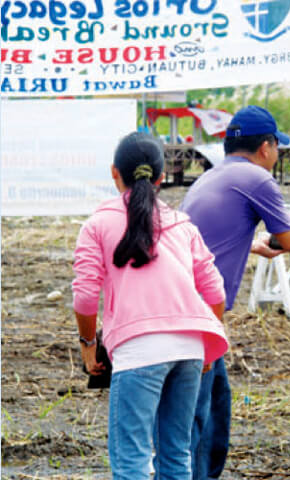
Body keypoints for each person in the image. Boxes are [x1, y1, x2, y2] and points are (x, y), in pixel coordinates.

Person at [180, 105, 290, 480]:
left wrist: (252, 243)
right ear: (267, 147)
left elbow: (209, 234)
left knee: (216, 403)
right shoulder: (257, 178)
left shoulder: (213, 176)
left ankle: (205, 472)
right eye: (277, 148)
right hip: (201, 312)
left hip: (189, 303)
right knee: (196, 413)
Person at [72, 132, 229, 479]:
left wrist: (88, 345)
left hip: (138, 351)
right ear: (160, 178)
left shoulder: (97, 225)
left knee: (132, 461)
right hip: (189, 347)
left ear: (115, 173)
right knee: (176, 457)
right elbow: (216, 291)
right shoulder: (183, 226)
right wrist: (206, 348)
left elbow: (84, 296)